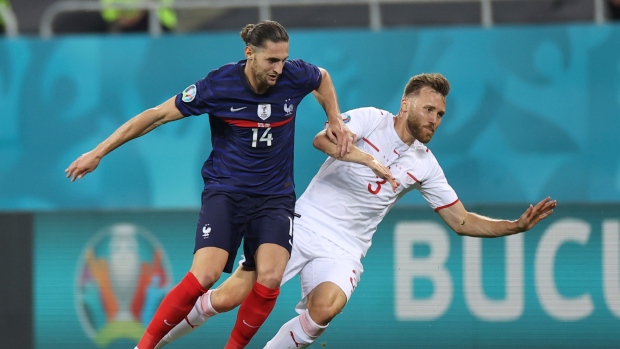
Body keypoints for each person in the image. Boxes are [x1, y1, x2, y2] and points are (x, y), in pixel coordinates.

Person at [153, 72, 557, 349]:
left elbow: (462, 220)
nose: (435, 119)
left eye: (440, 115)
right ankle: (158, 341)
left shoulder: (426, 164)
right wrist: (370, 160)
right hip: (302, 223)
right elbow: (321, 141)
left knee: (325, 308)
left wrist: (515, 226)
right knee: (227, 298)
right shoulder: (370, 120)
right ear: (406, 104)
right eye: (429, 110)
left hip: (346, 248)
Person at [65, 20, 353, 349]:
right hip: (227, 193)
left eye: (284, 59)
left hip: (274, 197)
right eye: (272, 60)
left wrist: (334, 117)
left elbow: (323, 77)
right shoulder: (219, 84)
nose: (279, 68)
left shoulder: (295, 75)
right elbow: (156, 115)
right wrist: (98, 152)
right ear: (250, 54)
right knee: (205, 276)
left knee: (270, 277)